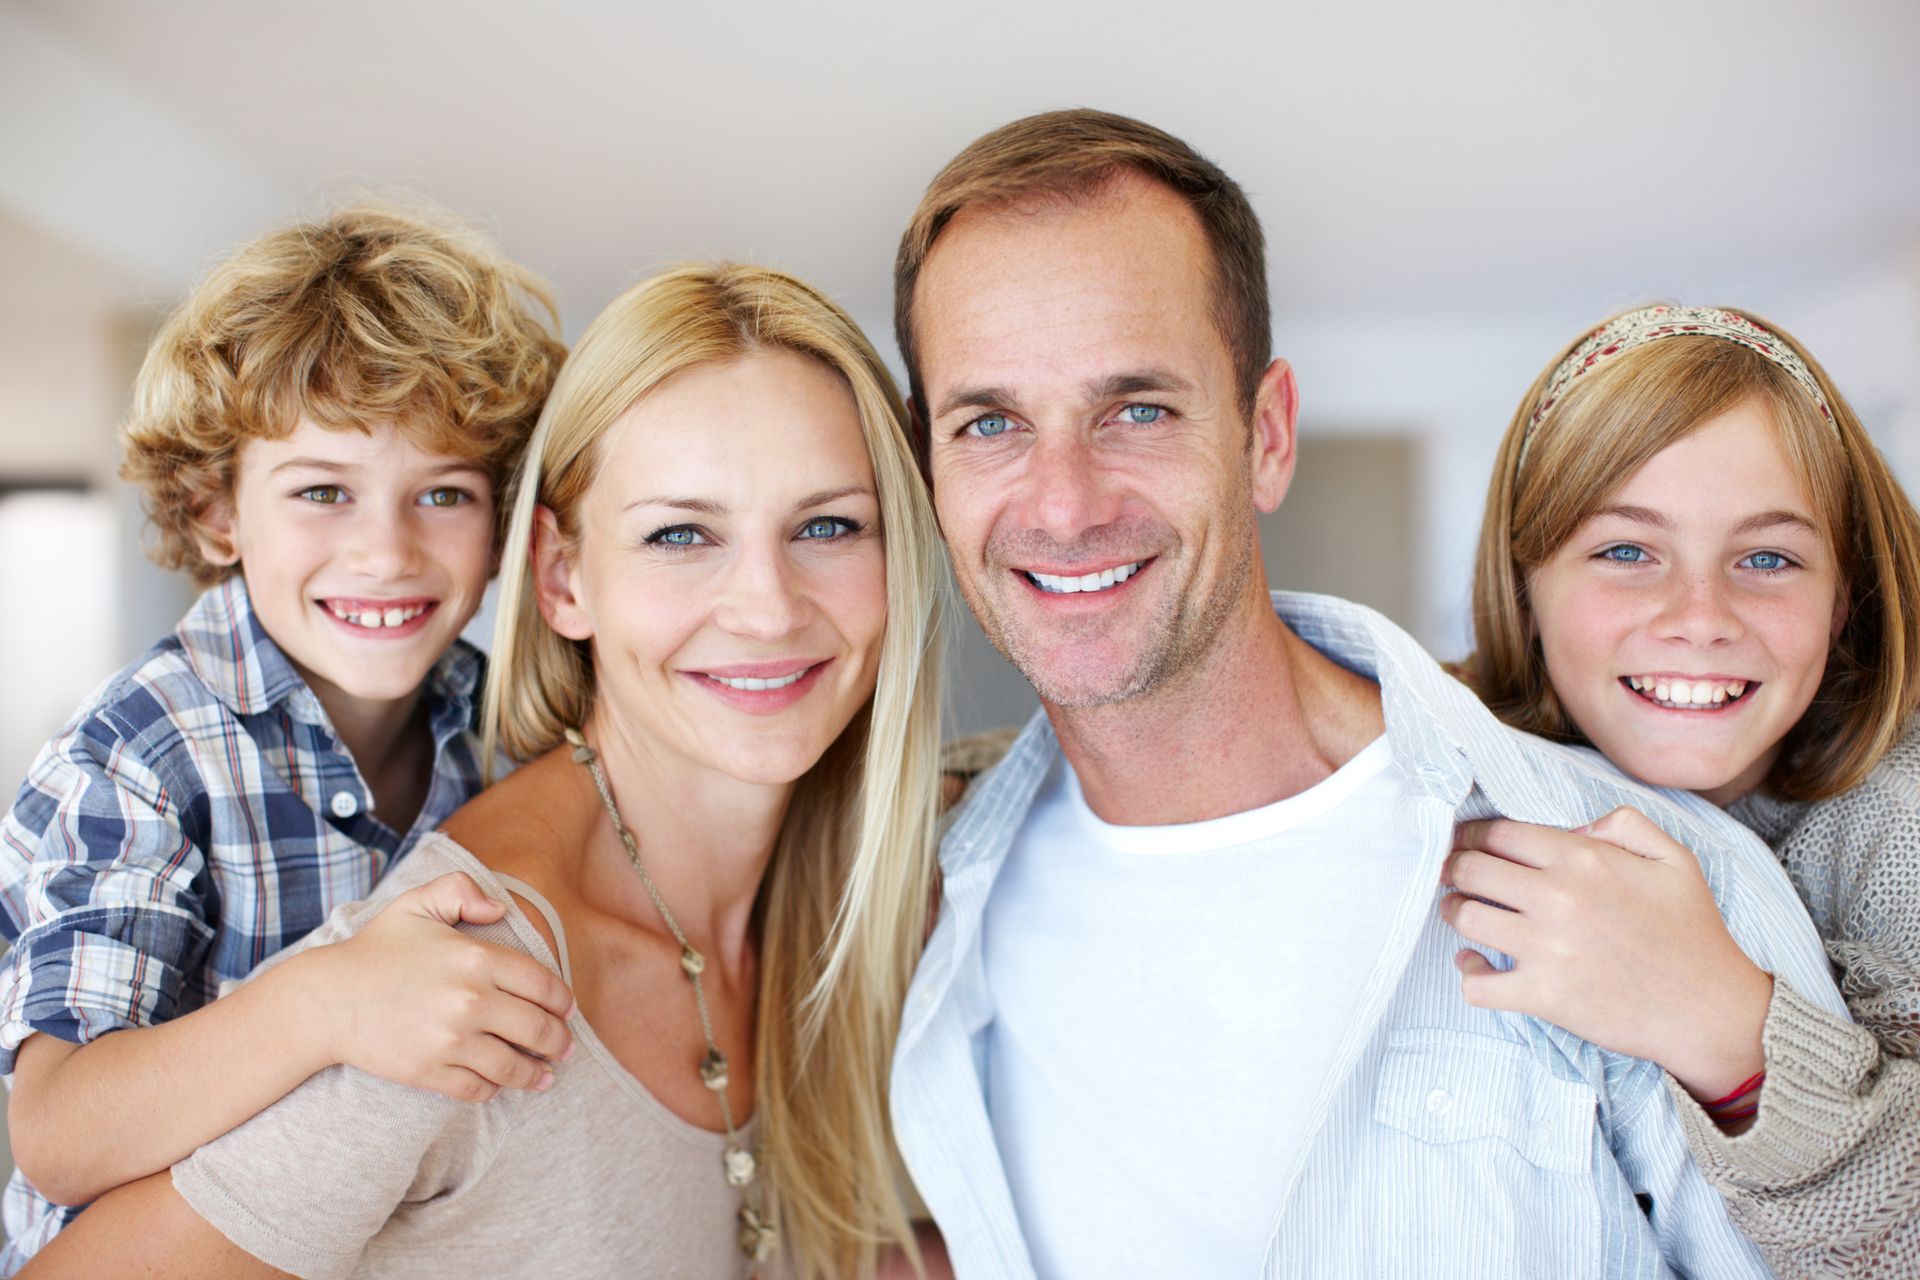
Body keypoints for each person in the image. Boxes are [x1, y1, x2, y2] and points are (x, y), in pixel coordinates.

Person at [885, 108, 1849, 1279]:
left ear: (1267, 435)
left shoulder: (1655, 882)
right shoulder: (929, 897)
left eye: (1137, 409)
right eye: (990, 422)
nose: (1064, 503)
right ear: (928, 466)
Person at [20, 262, 948, 1280]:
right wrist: (322, 1001)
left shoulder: (470, 725)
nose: (767, 609)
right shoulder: (438, 976)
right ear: (560, 574)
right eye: (680, 533)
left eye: (828, 525)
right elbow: (59, 1134)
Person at [0, 206, 571, 1271]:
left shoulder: (511, 727)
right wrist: (329, 998)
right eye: (321, 491)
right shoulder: (139, 752)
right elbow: (61, 1131)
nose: (386, 550)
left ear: (502, 526)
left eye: (444, 492)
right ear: (217, 511)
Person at [1451, 303, 1920, 1276]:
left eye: (1767, 558)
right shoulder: (1451, 785)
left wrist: (1726, 1031)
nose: (1699, 618)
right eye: (1626, 551)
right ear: (1526, 587)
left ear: (1843, 600)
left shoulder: (1899, 836)